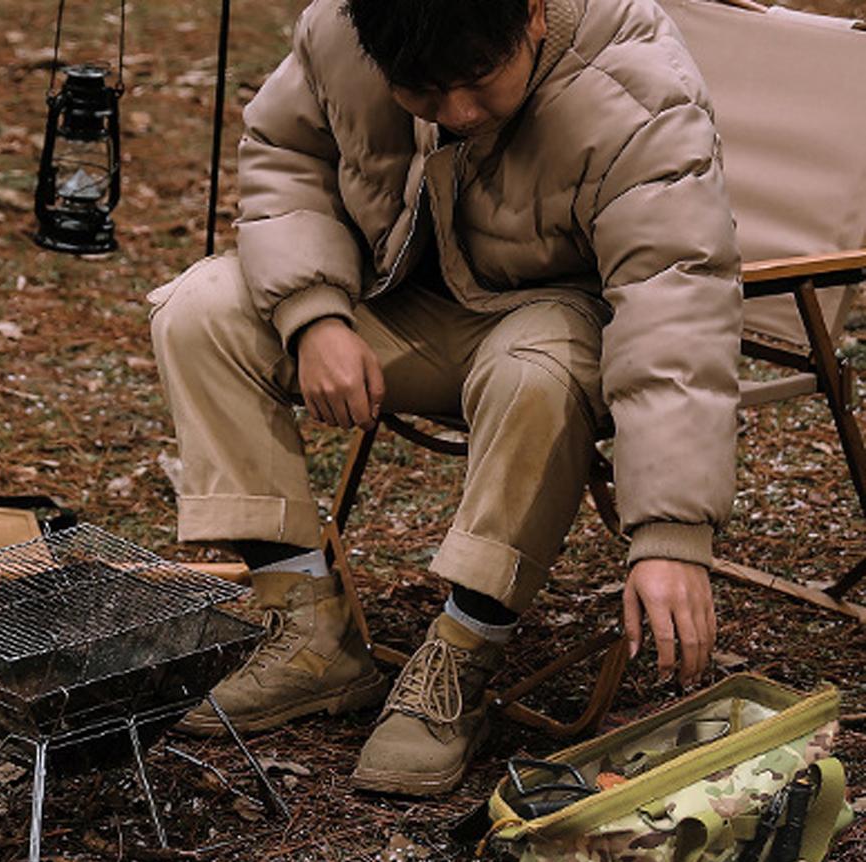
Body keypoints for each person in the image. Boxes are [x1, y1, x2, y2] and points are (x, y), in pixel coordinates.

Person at [149, 0, 741, 796]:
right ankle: (305, 627)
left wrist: (670, 534)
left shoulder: (634, 89)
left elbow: (674, 302)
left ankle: (463, 650)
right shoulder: (340, 28)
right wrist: (314, 313)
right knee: (201, 310)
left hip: (547, 323)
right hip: (397, 301)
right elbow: (283, 154)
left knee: (536, 366)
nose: (457, 114)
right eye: (422, 94)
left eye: (475, 83)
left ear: (531, 13)